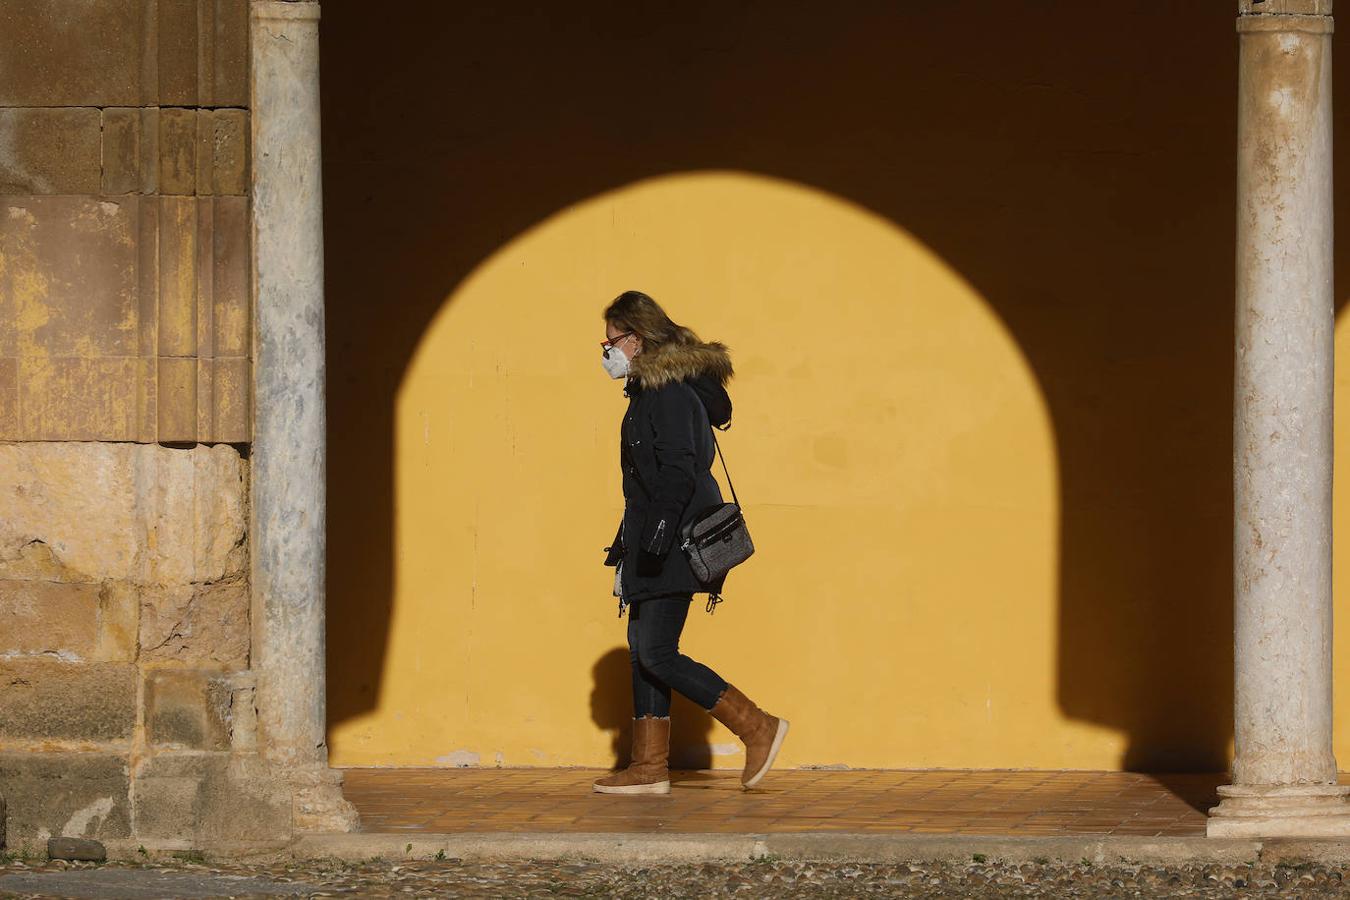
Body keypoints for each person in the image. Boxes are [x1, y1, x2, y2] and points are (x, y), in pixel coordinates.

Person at [593, 290, 789, 795]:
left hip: (673, 537)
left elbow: (680, 469)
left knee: (657, 651)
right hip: (651, 536)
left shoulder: (669, 392)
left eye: (610, 340)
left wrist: (657, 536)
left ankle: (757, 726)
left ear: (635, 340)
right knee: (643, 650)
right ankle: (649, 767)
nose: (606, 351)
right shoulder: (648, 391)